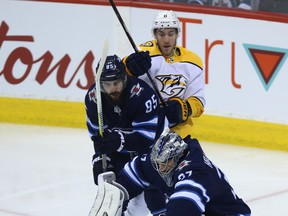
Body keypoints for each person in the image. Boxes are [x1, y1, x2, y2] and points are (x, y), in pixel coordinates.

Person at [85, 54, 168, 216]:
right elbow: (99, 138)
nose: (113, 88)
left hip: (154, 148)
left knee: (153, 190)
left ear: (125, 79)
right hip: (122, 149)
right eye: (107, 84)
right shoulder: (94, 99)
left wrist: (117, 140)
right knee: (114, 193)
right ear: (99, 85)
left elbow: (145, 140)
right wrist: (100, 158)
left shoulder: (142, 95)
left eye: (116, 83)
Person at [117, 128, 252, 216]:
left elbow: (182, 206)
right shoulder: (165, 160)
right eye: (158, 164)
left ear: (177, 158)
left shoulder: (197, 172)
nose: (161, 169)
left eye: (165, 164)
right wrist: (118, 194)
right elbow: (139, 167)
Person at [123, 10, 205, 139]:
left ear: (178, 34)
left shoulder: (193, 62)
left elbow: (198, 103)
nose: (166, 40)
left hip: (178, 135)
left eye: (170, 34)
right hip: (145, 130)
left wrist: (184, 108)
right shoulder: (143, 53)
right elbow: (120, 81)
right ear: (154, 35)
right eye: (161, 34)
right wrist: (128, 68)